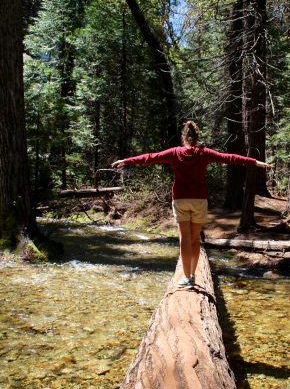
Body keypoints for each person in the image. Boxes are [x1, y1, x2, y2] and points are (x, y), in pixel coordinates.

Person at [112, 120, 271, 288]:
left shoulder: (175, 152)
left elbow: (150, 158)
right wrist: (254, 162)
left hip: (180, 200)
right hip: (199, 200)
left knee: (184, 240)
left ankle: (186, 276)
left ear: (183, 138)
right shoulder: (204, 153)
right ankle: (193, 276)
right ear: (197, 138)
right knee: (195, 239)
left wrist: (127, 161)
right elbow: (229, 158)